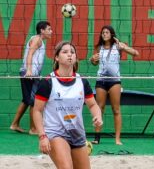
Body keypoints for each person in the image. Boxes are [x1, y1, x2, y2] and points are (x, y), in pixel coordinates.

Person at [33, 41, 102, 169]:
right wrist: (42, 136)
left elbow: (93, 105)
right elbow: (37, 110)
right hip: (56, 133)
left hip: (77, 133)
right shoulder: (48, 82)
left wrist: (98, 116)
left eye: (72, 52)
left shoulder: (82, 81)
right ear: (57, 57)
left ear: (76, 58)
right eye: (65, 52)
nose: (69, 54)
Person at [89, 25, 139, 145]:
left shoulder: (118, 46)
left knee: (116, 109)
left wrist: (124, 48)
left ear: (111, 34)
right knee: (99, 108)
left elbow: (136, 53)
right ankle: (97, 138)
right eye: (103, 32)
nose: (104, 34)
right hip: (101, 80)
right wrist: (92, 60)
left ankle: (117, 139)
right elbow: (95, 63)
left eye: (107, 32)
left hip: (114, 81)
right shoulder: (99, 47)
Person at [10, 21, 52, 134]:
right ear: (42, 30)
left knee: (26, 100)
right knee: (33, 101)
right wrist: (29, 70)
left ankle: (15, 124)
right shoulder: (37, 39)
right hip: (29, 74)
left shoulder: (39, 40)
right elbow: (30, 54)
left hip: (33, 74)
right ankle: (33, 129)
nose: (51, 31)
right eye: (49, 29)